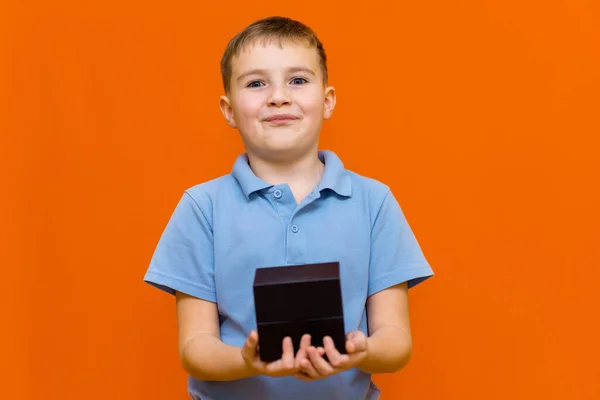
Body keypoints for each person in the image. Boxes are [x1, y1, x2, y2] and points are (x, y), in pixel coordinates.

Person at [143, 15, 434, 400]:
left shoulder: (374, 202)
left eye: (297, 80)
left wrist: (360, 352)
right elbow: (195, 348)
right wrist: (247, 361)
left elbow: (396, 343)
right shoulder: (202, 208)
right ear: (228, 110)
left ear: (327, 101)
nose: (278, 96)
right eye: (256, 83)